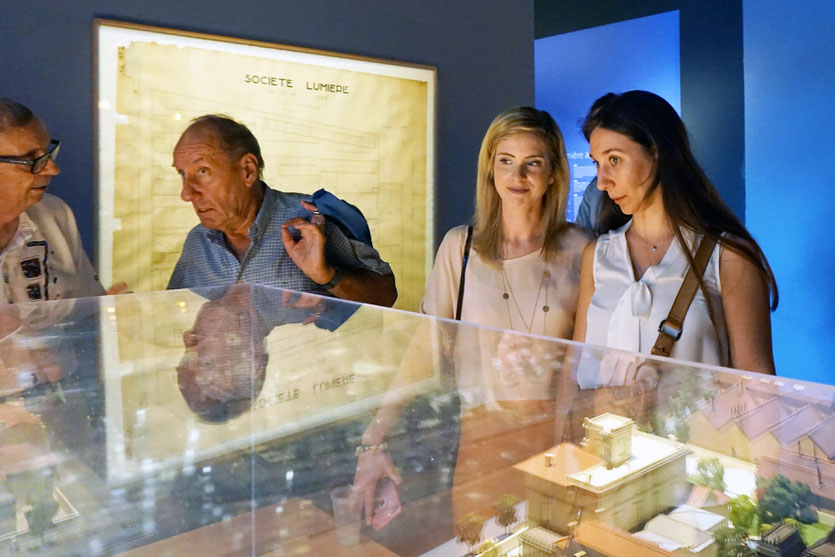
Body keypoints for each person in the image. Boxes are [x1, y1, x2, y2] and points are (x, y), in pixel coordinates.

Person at [354, 107, 591, 538]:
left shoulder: (581, 250)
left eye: (532, 163)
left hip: (559, 441)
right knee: (482, 546)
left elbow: (586, 362)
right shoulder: (461, 249)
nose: (517, 175)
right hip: (481, 441)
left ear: (554, 172)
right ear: (490, 168)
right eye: (505, 160)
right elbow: (422, 349)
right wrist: (375, 436)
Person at [573, 90, 778, 374]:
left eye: (615, 160)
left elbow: (757, 388)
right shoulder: (596, 256)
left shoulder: (728, 256)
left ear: (656, 152)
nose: (602, 182)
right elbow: (574, 378)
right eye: (597, 163)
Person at [167, 115, 397, 307]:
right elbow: (175, 318)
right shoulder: (197, 243)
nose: (186, 194)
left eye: (203, 171)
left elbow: (386, 295)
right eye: (182, 174)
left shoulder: (311, 221)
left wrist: (327, 275)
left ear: (247, 171)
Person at [0, 98, 125, 304]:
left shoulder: (54, 214)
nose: (53, 169)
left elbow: (85, 312)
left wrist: (108, 310)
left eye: (47, 153)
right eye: (32, 160)